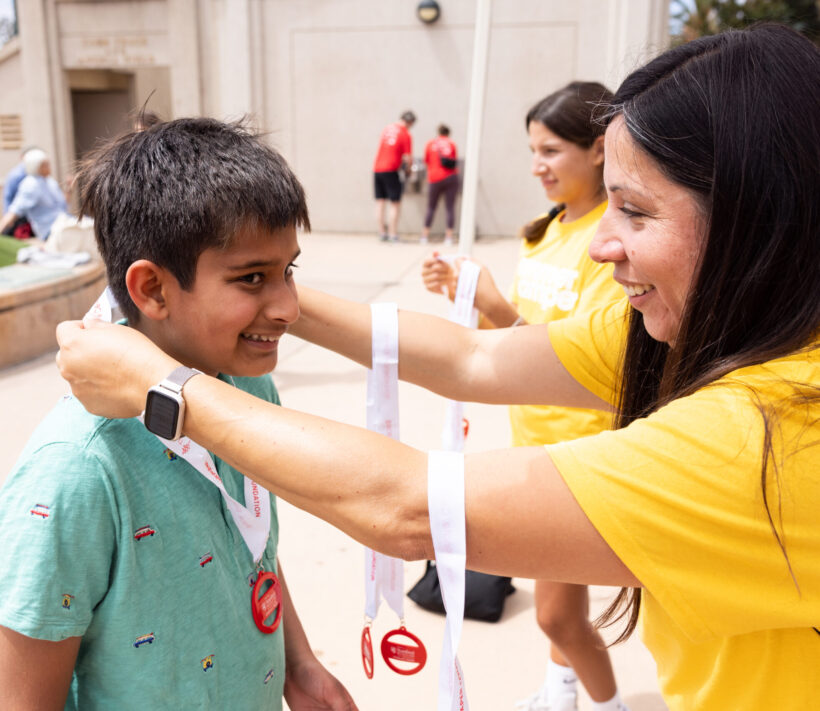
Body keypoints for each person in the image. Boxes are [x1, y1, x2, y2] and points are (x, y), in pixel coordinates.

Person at [56, 24, 819, 711]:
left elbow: (413, 507)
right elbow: (472, 357)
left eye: (637, 212)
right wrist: (260, 295)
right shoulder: (713, 328)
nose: (599, 242)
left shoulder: (777, 435)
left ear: (760, 218)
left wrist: (162, 385)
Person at [0, 118, 356, 711]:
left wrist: (300, 664)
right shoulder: (78, 470)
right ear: (152, 290)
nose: (290, 307)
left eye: (288, 270)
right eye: (252, 278)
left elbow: (251, 537)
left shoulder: (249, 387)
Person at [423, 83, 627, 711]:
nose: (537, 164)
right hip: (534, 447)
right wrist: (464, 293)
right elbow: (509, 343)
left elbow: (584, 360)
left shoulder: (611, 239)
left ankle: (605, 702)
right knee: (559, 603)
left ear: (599, 149)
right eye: (531, 150)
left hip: (584, 455)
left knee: (557, 616)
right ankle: (562, 687)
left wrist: (495, 305)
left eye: (551, 149)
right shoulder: (540, 233)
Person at [0, 148, 69, 240]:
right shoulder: (31, 184)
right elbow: (15, 210)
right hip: (50, 231)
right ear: (36, 166)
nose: (49, 167)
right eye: (45, 165)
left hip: (64, 223)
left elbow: (62, 206)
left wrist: (69, 190)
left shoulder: (50, 181)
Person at [373, 110, 416, 242]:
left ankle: (382, 233)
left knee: (380, 202)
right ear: (410, 123)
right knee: (395, 203)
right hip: (391, 170)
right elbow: (408, 158)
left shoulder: (387, 129)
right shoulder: (405, 134)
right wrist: (408, 170)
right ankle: (392, 234)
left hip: (377, 168)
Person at [421, 124, 459, 245]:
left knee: (431, 207)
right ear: (448, 133)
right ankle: (448, 237)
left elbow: (426, 161)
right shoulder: (451, 144)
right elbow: (454, 161)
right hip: (451, 178)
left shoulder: (430, 143)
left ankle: (425, 236)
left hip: (434, 177)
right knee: (450, 207)